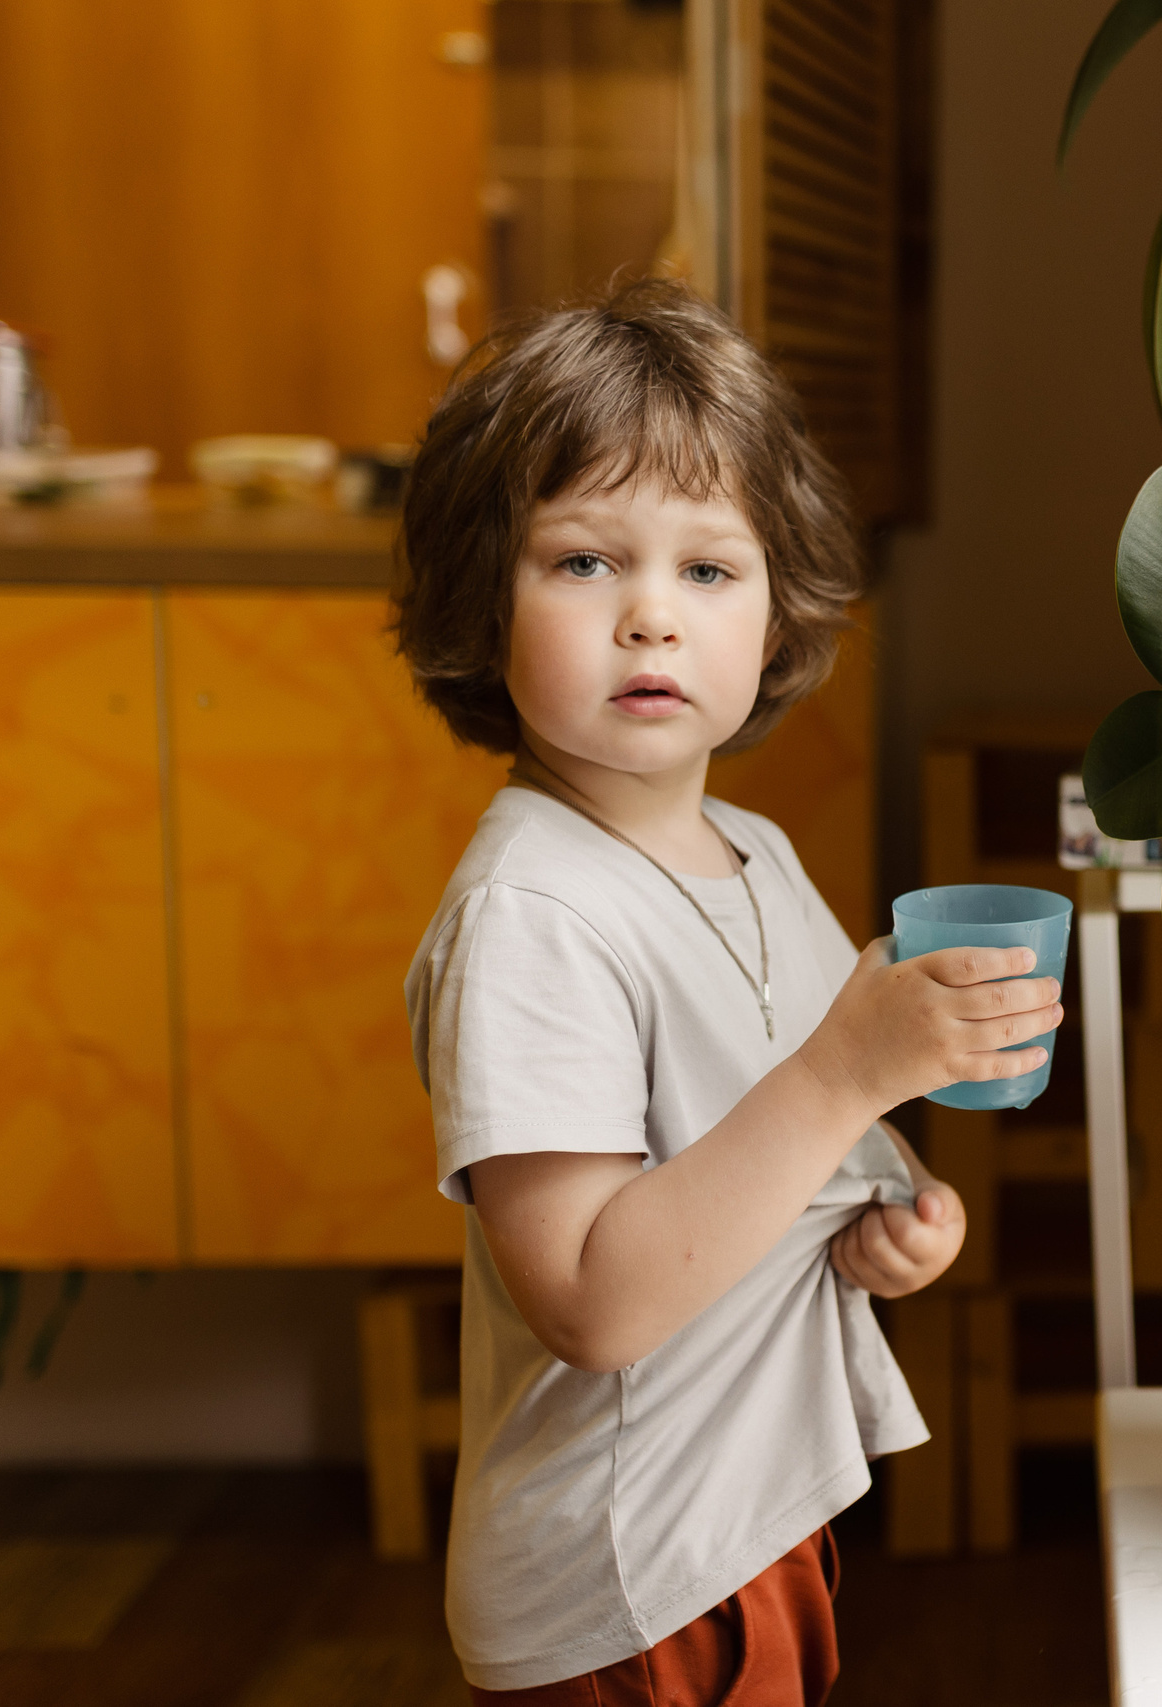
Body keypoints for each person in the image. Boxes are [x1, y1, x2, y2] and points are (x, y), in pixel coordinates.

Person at [393, 278, 1063, 1705]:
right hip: (625, 1572)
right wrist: (845, 1075)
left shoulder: (752, 854)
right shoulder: (534, 915)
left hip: (753, 1521)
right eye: (582, 563)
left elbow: (779, 1161)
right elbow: (590, 1298)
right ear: (478, 598)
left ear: (778, 613)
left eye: (709, 570)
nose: (651, 618)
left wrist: (888, 1226)